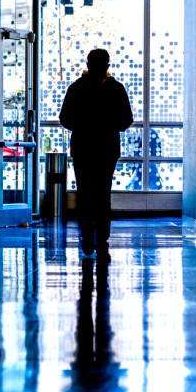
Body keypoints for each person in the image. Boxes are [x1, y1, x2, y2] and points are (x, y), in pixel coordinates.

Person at [59, 48, 134, 260]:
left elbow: (64, 118)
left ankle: (87, 237)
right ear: (107, 66)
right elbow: (126, 119)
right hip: (107, 148)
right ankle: (102, 240)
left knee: (85, 194)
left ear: (88, 65)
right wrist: (109, 126)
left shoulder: (77, 88)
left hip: (83, 148)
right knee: (103, 194)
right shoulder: (116, 89)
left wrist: (82, 126)